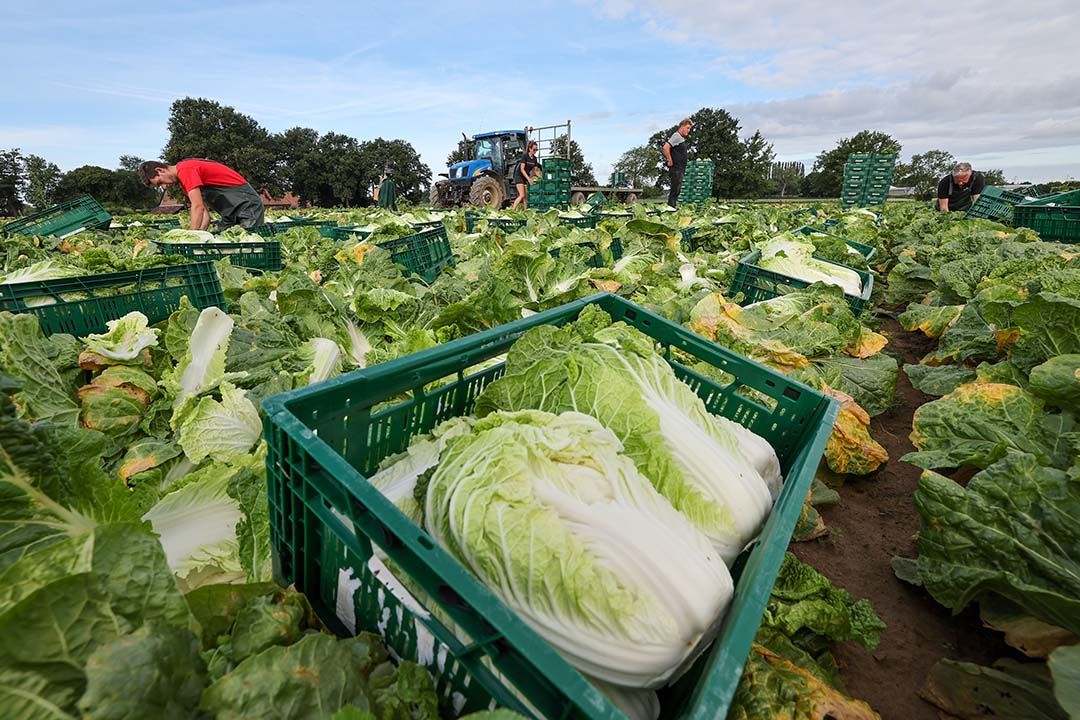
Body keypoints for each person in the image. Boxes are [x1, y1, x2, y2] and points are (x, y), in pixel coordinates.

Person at [138, 159, 265, 230]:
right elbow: (204, 213)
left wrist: (191, 236)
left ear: (160, 170)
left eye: (160, 182)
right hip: (230, 211)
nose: (164, 186)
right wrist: (200, 234)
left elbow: (197, 207)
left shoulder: (186, 170)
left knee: (250, 242)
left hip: (246, 204)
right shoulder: (184, 181)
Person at [663, 118, 693, 207]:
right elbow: (666, 147)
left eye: (689, 129)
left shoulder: (680, 138)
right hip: (676, 169)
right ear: (682, 126)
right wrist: (670, 160)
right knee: (675, 191)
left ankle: (672, 208)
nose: (688, 130)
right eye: (687, 128)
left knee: (676, 191)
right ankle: (670, 210)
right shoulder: (676, 136)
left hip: (679, 169)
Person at [511, 141, 541, 209]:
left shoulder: (535, 159)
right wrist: (529, 179)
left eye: (536, 149)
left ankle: (526, 211)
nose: (535, 151)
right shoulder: (525, 156)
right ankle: (512, 210)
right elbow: (522, 169)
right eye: (534, 149)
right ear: (529, 149)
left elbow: (535, 171)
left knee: (525, 197)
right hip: (519, 176)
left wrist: (541, 177)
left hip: (525, 177)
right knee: (522, 195)